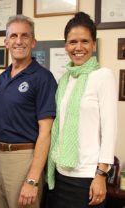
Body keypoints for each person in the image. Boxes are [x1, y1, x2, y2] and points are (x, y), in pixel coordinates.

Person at [46, 12, 117, 208]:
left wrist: (101, 175)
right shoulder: (65, 79)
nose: (78, 48)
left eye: (84, 41)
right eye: (72, 42)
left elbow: (109, 130)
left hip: (87, 177)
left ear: (94, 44)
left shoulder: (103, 76)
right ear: (66, 45)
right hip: (59, 175)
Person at [0, 15, 57, 208]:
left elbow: (46, 132)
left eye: (25, 36)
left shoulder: (43, 78)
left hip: (24, 158)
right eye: (13, 36)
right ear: (6, 42)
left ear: (33, 42)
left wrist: (32, 179)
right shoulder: (3, 77)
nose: (19, 41)